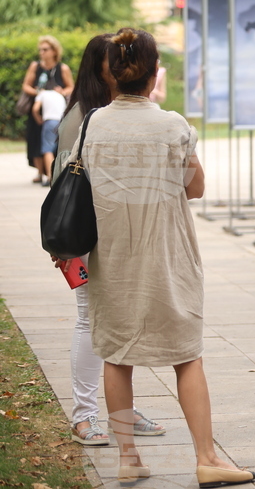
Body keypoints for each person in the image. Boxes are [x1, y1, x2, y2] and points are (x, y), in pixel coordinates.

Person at [76, 28, 255, 487]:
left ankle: (128, 457)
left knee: (116, 357)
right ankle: (207, 457)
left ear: (112, 75)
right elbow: (195, 188)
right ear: (154, 73)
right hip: (167, 259)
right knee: (187, 357)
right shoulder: (174, 126)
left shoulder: (92, 125)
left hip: (112, 259)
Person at [51, 34, 165, 448]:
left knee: (122, 321)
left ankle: (122, 409)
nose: (121, 65)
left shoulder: (112, 112)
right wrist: (64, 250)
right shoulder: (82, 117)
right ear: (99, 68)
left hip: (120, 233)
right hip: (86, 236)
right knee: (89, 319)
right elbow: (62, 186)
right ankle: (84, 417)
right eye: (112, 60)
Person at [21, 35, 74, 183]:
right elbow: (26, 85)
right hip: (38, 109)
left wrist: (61, 92)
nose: (41, 53)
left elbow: (71, 87)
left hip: (55, 111)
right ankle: (40, 173)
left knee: (53, 142)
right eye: (40, 50)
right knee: (35, 139)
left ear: (54, 50)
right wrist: (39, 93)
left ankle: (52, 171)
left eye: (45, 49)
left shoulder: (62, 68)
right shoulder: (35, 66)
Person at [32, 88, 66, 184]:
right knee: (60, 149)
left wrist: (38, 119)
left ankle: (50, 177)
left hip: (50, 121)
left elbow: (35, 109)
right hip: (63, 120)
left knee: (47, 150)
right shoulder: (60, 94)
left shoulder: (42, 93)